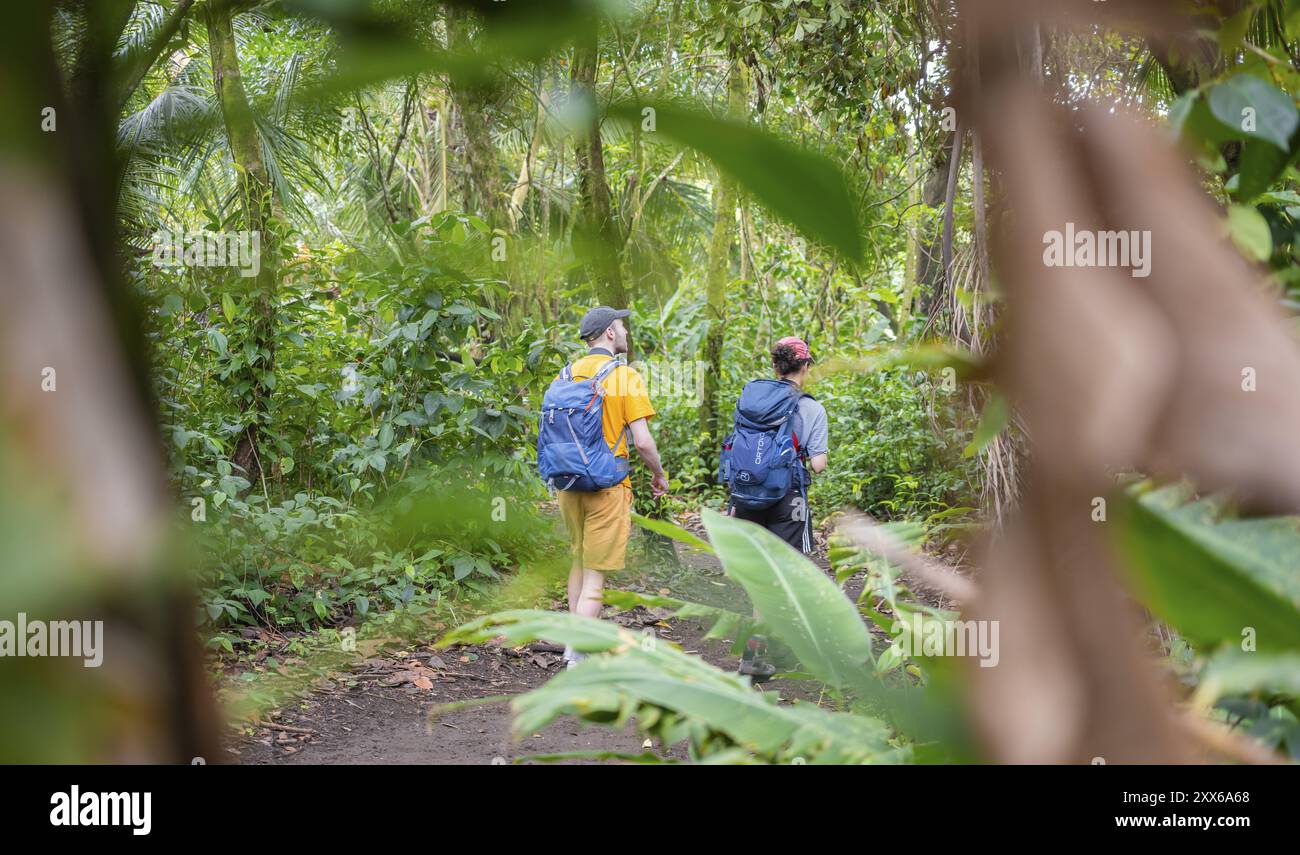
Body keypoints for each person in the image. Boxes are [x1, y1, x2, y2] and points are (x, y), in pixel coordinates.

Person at [554, 307, 669, 668]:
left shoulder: (565, 373)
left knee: (578, 560)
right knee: (595, 576)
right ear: (608, 334)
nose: (626, 333)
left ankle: (574, 644)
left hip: (568, 482)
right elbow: (643, 442)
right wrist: (659, 474)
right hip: (607, 485)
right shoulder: (624, 377)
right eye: (621, 327)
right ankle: (578, 657)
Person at [725, 336, 828, 679]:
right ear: (806, 367)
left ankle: (766, 651)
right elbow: (818, 465)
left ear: (775, 366)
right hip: (788, 500)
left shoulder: (752, 399)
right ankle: (768, 653)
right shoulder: (811, 407)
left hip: (748, 496)